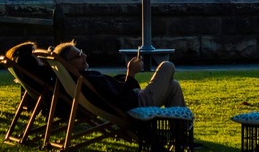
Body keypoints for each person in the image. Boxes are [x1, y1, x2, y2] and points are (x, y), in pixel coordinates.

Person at [54, 41, 186, 111]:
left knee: (174, 86)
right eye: (78, 56)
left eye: (81, 52)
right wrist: (131, 74)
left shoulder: (83, 78)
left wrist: (126, 79)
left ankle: (182, 136)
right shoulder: (88, 80)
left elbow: (115, 92)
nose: (84, 56)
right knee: (167, 66)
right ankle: (182, 134)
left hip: (134, 97)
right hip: (136, 103)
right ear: (68, 64)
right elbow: (121, 102)